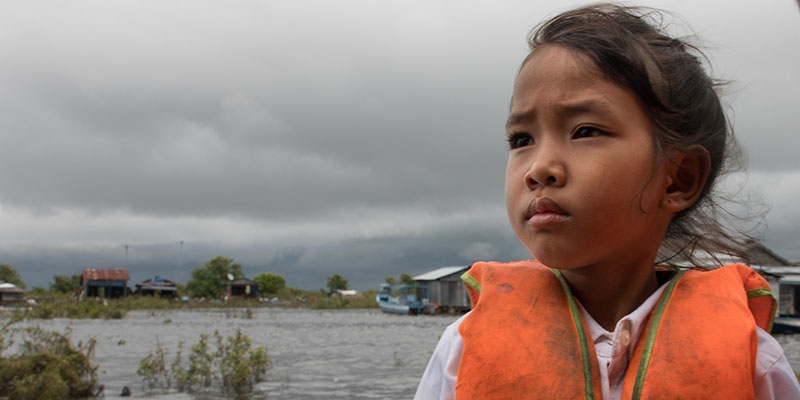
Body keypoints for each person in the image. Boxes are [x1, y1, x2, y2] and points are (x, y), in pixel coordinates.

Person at [415, 4, 800, 400]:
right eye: (521, 139)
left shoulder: (756, 361)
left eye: (585, 131)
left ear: (679, 177)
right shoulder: (461, 348)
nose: (539, 168)